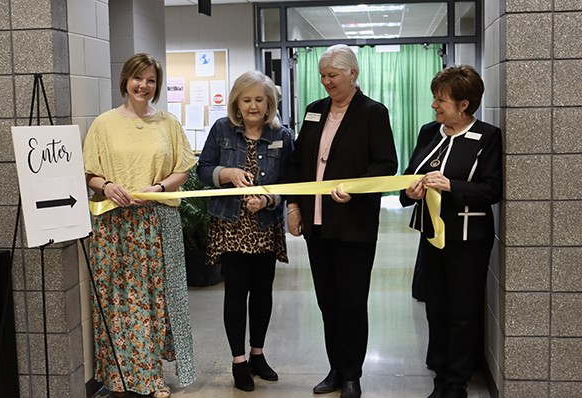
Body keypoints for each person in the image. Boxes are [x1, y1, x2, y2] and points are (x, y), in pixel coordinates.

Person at [286, 44, 398, 398]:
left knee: (350, 302)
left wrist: (357, 189)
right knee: (327, 302)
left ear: (353, 74)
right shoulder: (313, 111)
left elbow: (386, 165)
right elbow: (298, 162)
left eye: (332, 75)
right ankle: (335, 369)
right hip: (317, 225)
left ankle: (352, 374)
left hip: (354, 226)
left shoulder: (372, 113)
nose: (326, 82)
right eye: (322, 75)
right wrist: (293, 205)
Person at [83, 53, 196, 398]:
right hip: (114, 224)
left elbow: (183, 169)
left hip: (156, 220)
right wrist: (107, 186)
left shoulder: (168, 123)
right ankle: (119, 376)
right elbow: (90, 172)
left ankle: (149, 376)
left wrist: (159, 188)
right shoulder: (103, 124)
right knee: (117, 300)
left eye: (150, 80)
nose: (144, 86)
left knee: (153, 300)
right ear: (125, 81)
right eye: (138, 78)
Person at [400, 65, 503, 398]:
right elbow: (406, 179)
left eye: (441, 99)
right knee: (436, 307)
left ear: (464, 105)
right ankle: (440, 378)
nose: (434, 105)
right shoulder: (429, 132)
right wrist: (410, 192)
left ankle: (456, 383)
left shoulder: (486, 136)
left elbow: (492, 190)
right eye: (435, 98)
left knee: (462, 310)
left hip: (468, 238)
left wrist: (452, 186)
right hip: (432, 234)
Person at [197, 71, 294, 392]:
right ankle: (238, 360)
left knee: (263, 291)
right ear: (237, 103)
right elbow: (203, 170)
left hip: (265, 226)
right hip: (231, 224)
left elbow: (290, 184)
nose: (253, 106)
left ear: (270, 104)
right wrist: (226, 172)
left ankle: (258, 354)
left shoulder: (283, 136)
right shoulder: (222, 130)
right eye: (247, 99)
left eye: (260, 100)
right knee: (236, 291)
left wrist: (267, 198)